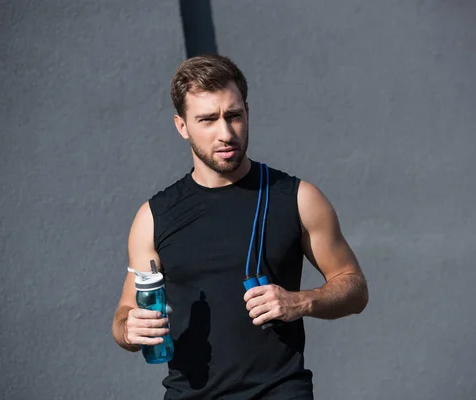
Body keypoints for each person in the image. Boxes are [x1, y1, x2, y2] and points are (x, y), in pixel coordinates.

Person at [111, 54, 368, 399]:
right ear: (182, 125)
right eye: (207, 120)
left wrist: (301, 301)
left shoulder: (298, 198)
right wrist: (130, 330)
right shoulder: (153, 217)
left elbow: (354, 288)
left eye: (234, 116)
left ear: (247, 112)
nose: (226, 133)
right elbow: (124, 316)